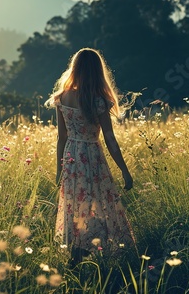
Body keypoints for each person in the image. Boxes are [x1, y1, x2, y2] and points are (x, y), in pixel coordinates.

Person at [45, 47, 135, 266]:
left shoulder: (62, 97)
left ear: (74, 68)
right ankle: (87, 253)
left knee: (76, 204)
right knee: (96, 203)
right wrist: (124, 170)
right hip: (92, 157)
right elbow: (110, 139)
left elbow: (61, 137)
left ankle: (78, 253)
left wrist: (59, 169)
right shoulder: (98, 100)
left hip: (72, 159)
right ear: (97, 71)